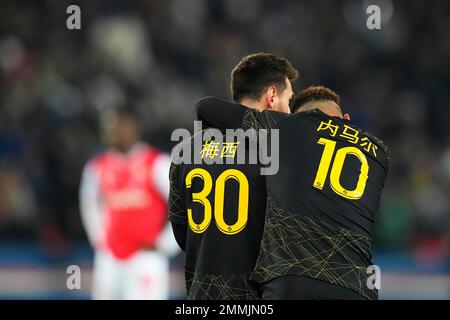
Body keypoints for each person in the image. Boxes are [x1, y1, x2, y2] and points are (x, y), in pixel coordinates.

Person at [169, 52, 298, 299]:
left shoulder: (185, 150)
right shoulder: (279, 150)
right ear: (271, 96)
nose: (290, 111)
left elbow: (181, 233)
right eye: (289, 101)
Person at [79, 106, 178, 300]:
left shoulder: (157, 163)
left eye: (120, 126)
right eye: (110, 127)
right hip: (110, 259)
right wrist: (99, 240)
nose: (115, 131)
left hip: (145, 258)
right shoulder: (97, 167)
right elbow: (89, 204)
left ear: (135, 128)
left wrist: (166, 243)